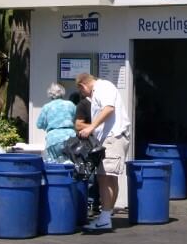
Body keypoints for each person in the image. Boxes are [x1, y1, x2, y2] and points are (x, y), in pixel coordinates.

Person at [76, 73, 130, 231]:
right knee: (110, 178)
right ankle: (106, 215)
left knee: (104, 177)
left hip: (112, 137)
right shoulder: (103, 89)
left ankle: (105, 218)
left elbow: (109, 109)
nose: (84, 95)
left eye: (82, 91)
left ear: (82, 85)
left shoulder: (102, 88)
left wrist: (91, 127)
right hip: (113, 137)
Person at [36, 83, 76, 163]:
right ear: (62, 93)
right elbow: (76, 120)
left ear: (50, 94)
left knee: (54, 164)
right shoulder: (70, 104)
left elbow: (39, 124)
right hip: (70, 137)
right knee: (72, 163)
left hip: (53, 139)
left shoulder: (47, 107)